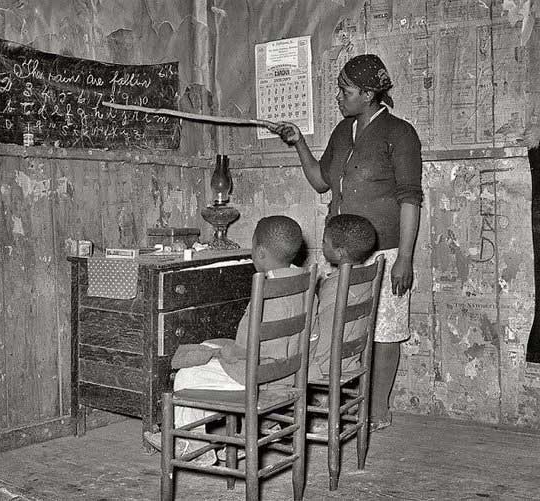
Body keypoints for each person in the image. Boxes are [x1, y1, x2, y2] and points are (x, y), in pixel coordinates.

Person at [268, 54, 423, 431]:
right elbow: (321, 181)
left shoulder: (400, 133)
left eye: (346, 90)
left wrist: (404, 258)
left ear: (369, 94)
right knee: (333, 328)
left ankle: (378, 408)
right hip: (337, 254)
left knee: (384, 331)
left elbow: (410, 198)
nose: (339, 96)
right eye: (340, 89)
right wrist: (298, 142)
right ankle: (333, 404)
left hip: (383, 254)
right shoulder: (343, 130)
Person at [145, 215, 308, 466]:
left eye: (252, 247)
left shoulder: (264, 289)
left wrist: (224, 352)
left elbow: (245, 351)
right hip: (289, 373)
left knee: (187, 376)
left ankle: (193, 445)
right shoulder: (304, 280)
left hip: (259, 377)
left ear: (261, 252)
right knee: (211, 349)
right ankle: (241, 435)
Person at [309, 213, 377, 381]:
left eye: (324, 242)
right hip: (350, 361)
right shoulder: (364, 278)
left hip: (324, 365)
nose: (322, 244)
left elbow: (320, 333)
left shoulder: (336, 285)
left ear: (339, 252)